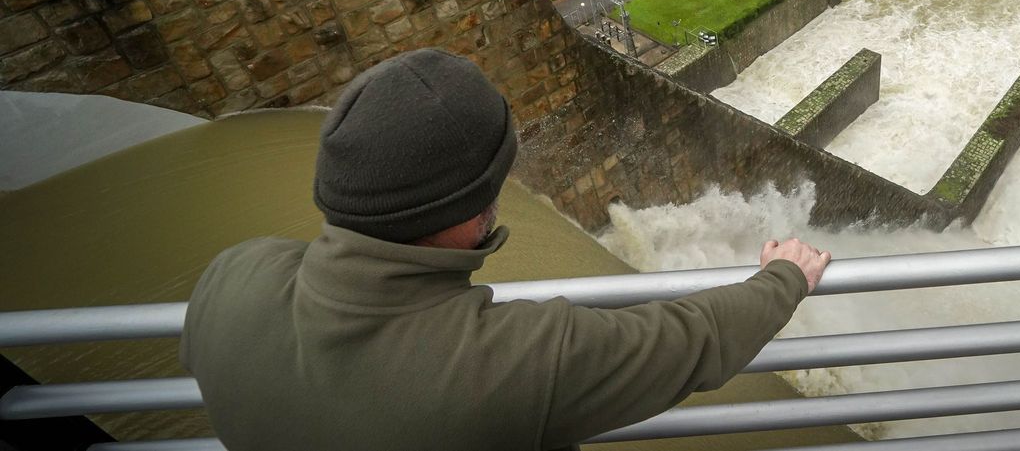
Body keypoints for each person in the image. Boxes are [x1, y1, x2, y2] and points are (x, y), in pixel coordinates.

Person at [180, 48, 831, 451]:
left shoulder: (229, 280)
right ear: (472, 210)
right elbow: (689, 341)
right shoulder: (509, 363)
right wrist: (784, 277)